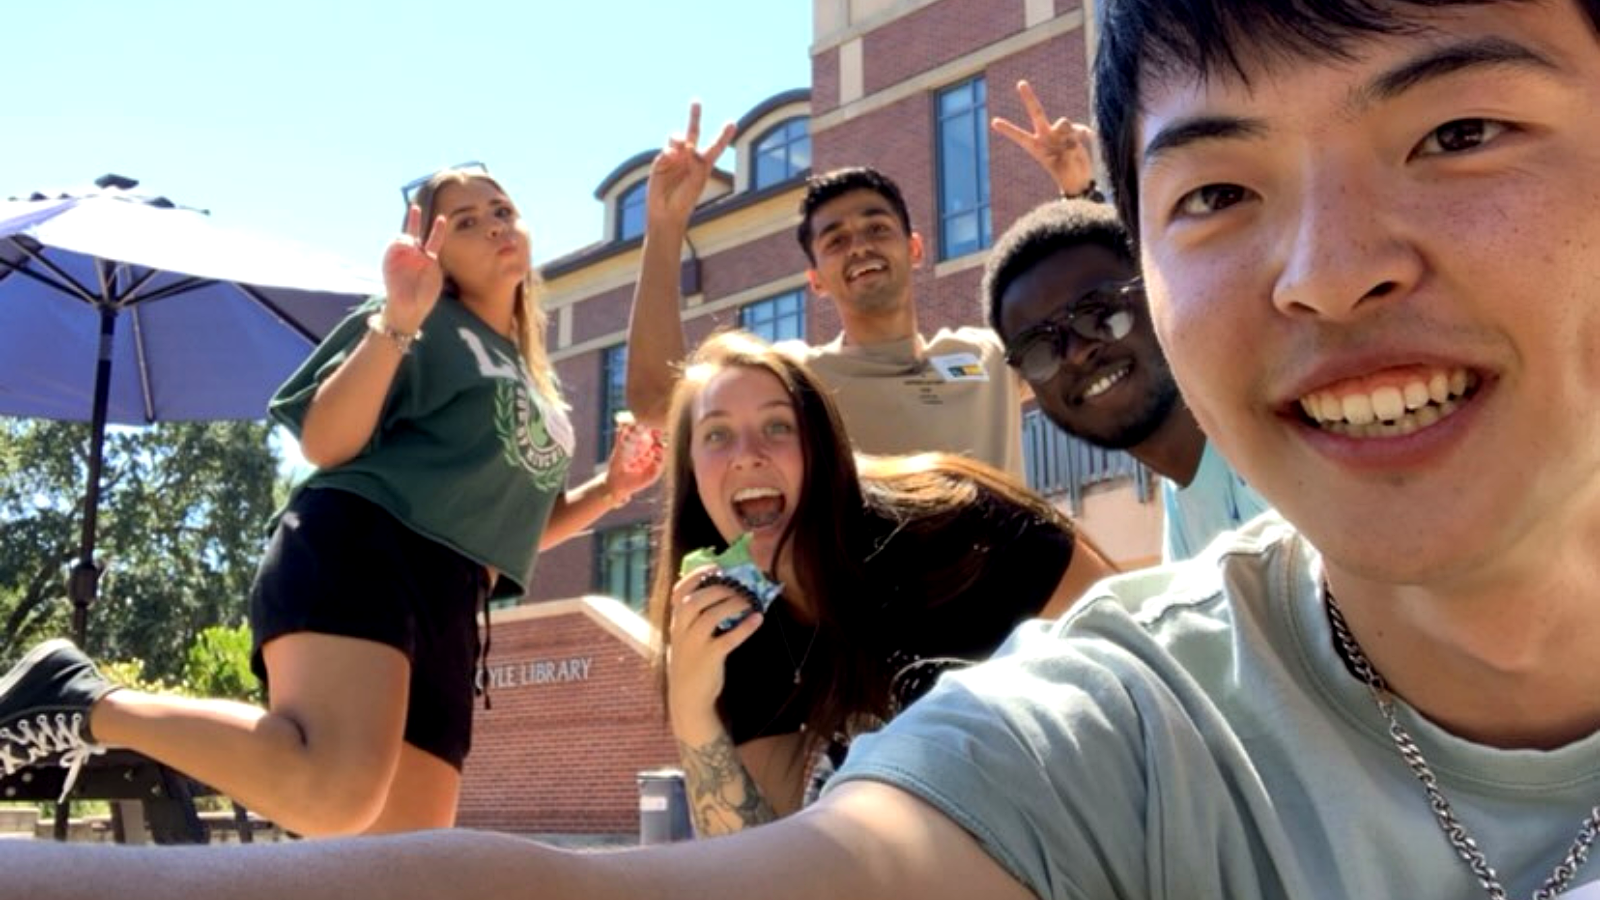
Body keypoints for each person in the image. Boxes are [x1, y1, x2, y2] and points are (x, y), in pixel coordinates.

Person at [12, 0, 1600, 896]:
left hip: (488, 586)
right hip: (383, 561)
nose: (1329, 268)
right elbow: (340, 445)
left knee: (396, 805)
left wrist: (593, 493)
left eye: (1461, 135)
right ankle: (87, 707)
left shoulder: (971, 480)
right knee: (353, 795)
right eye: (1218, 192)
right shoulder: (1116, 723)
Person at [0, 167, 664, 837]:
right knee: (333, 794)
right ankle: (78, 696)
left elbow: (516, 528)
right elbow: (325, 438)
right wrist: (398, 321)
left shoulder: (533, 375)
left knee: (410, 861)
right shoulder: (421, 314)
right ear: (434, 247)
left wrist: (610, 490)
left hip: (453, 601)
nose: (494, 223)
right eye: (464, 219)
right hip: (363, 546)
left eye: (502, 208)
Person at [653, 331, 1115, 835]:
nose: (747, 454)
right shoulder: (739, 628)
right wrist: (692, 712)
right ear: (693, 475)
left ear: (821, 449)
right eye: (717, 435)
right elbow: (756, 860)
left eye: (778, 426)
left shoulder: (951, 528)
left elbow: (1135, 651)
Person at [624, 103, 1096, 478]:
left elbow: (1099, 325)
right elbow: (655, 402)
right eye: (836, 240)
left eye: (876, 229)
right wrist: (665, 225)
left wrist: (1080, 193)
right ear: (816, 281)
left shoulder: (989, 356)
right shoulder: (795, 380)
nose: (859, 247)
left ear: (914, 248)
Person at [981, 197, 1271, 560]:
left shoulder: (1292, 461)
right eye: (1039, 347)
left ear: (1159, 291)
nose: (1076, 352)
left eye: (1100, 310)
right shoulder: (1185, 523)